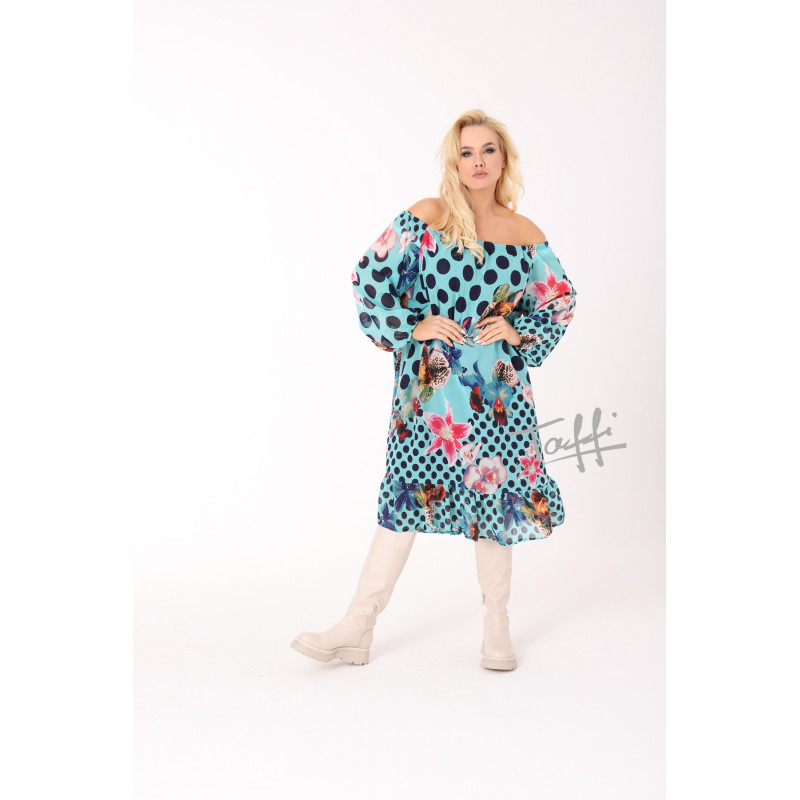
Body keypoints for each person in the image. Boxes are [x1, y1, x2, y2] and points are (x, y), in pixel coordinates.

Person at [291, 109, 578, 670]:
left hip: (496, 397)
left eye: (488, 150)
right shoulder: (429, 217)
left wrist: (516, 330)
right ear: (454, 161)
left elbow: (560, 301)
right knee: (404, 498)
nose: (478, 161)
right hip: (427, 396)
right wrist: (413, 324)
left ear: (503, 159)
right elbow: (369, 275)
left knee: (494, 501)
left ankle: (496, 628)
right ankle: (357, 625)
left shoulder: (524, 233)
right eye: (466, 152)